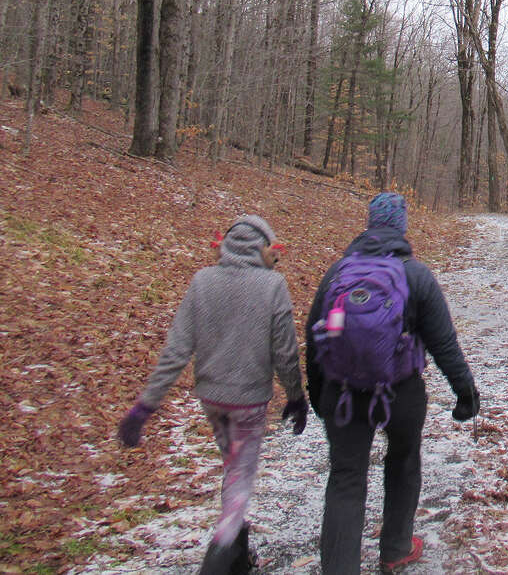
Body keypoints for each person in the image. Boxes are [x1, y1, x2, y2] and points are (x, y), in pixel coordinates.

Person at [117, 214, 308, 574]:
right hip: (249, 403)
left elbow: (176, 350)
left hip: (212, 400)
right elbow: (284, 351)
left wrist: (145, 406)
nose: (276, 256)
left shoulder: (202, 281)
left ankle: (236, 557)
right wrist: (296, 396)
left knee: (233, 471)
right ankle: (218, 560)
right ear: (262, 249)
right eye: (274, 249)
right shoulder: (272, 286)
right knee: (240, 482)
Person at [307, 192, 479, 573]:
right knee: (402, 462)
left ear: (369, 224)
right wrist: (465, 393)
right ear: (402, 226)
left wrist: (318, 395)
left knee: (346, 479)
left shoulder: (338, 272)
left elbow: (313, 336)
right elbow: (444, 343)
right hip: (401, 392)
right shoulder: (415, 275)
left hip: (344, 395)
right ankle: (397, 548)